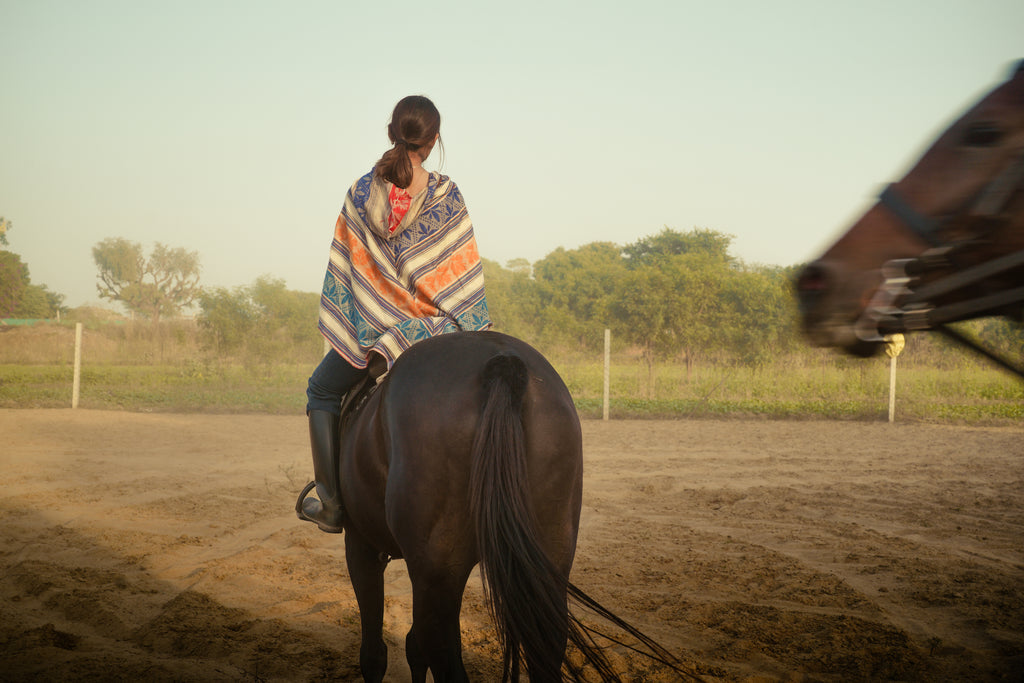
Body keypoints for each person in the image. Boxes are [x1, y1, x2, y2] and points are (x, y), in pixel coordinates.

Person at [296, 95, 492, 533]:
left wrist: (377, 314)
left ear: (392, 132)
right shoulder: (447, 195)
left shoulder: (360, 193)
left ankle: (329, 502)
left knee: (321, 390)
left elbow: (349, 270)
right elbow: (458, 273)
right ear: (435, 139)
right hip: (434, 329)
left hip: (373, 335)